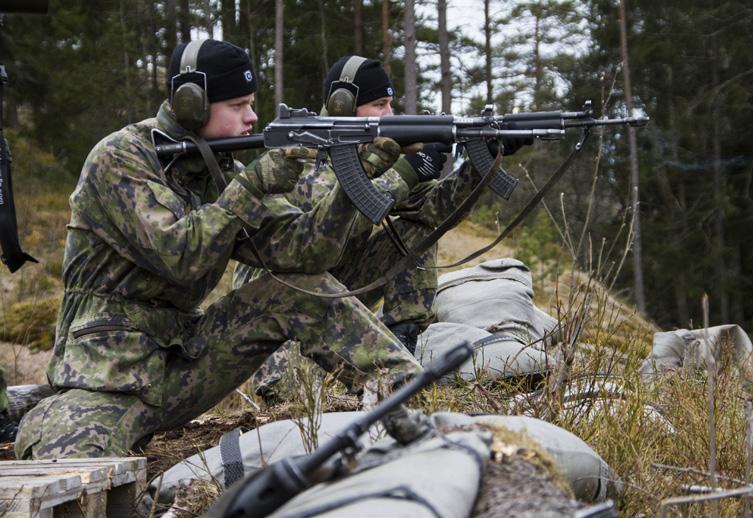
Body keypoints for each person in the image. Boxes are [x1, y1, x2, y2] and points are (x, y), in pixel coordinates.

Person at [14, 40, 424, 460]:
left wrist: (362, 171)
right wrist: (250, 187)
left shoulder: (222, 171)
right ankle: (37, 409)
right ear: (191, 104)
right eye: (239, 105)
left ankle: (412, 398)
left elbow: (306, 253)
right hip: (107, 376)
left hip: (182, 362)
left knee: (301, 288)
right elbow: (180, 254)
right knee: (73, 469)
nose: (253, 117)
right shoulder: (121, 158)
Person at [237, 55, 528, 398]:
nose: (389, 114)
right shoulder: (302, 152)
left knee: (417, 230)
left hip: (334, 286)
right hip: (277, 304)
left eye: (391, 103)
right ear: (342, 105)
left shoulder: (375, 149)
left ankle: (402, 336)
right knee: (288, 397)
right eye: (379, 104)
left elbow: (434, 212)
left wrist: (482, 163)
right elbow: (328, 227)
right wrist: (406, 172)